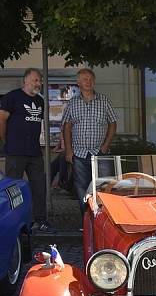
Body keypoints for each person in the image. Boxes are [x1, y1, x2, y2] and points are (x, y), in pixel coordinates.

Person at [0, 68, 54, 232]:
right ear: (26, 80)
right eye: (35, 80)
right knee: (13, 189)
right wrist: (5, 141)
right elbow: (1, 119)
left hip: (34, 152)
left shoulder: (40, 101)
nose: (38, 83)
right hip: (15, 152)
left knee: (39, 187)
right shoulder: (12, 97)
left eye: (40, 81)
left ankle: (40, 220)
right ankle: (13, 222)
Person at [63, 68, 117, 224]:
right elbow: (66, 126)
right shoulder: (73, 103)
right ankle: (87, 222)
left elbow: (112, 123)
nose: (89, 82)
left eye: (91, 79)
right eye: (85, 79)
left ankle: (103, 222)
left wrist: (106, 145)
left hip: (100, 153)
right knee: (82, 190)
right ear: (78, 83)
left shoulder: (104, 100)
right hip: (79, 154)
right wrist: (68, 150)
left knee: (104, 189)